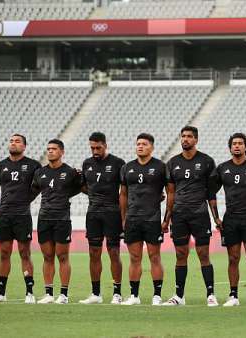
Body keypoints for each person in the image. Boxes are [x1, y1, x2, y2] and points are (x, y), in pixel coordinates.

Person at [164, 126, 219, 307]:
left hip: (199, 214)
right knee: (181, 254)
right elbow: (170, 193)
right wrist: (167, 218)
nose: (185, 139)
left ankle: (210, 294)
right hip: (179, 215)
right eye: (183, 136)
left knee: (203, 253)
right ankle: (179, 296)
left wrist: (216, 217)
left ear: (196, 140)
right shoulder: (172, 163)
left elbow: (211, 193)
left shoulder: (207, 161)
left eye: (189, 137)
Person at [0, 134, 41, 304]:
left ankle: (29, 293)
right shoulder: (0, 165)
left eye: (17, 141)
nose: (13, 143)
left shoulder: (33, 165)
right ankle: (1, 293)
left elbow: (38, 187)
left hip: (22, 215)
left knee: (25, 253)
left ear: (24, 146)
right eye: (11, 141)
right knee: (4, 253)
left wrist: (27, 199)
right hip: (4, 215)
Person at [211, 133, 246, 307]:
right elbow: (211, 191)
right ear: (230, 147)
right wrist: (216, 217)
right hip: (230, 219)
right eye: (234, 143)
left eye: (240, 143)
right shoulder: (222, 168)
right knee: (233, 258)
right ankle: (233, 295)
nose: (237, 146)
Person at [119, 133, 169, 306]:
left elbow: (170, 192)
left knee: (154, 257)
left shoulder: (161, 167)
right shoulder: (127, 168)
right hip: (132, 219)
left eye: (144, 144)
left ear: (152, 147)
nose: (140, 146)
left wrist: (166, 219)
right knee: (134, 258)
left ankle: (157, 295)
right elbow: (123, 194)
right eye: (138, 144)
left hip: (152, 219)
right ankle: (134, 295)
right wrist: (123, 218)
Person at [31, 139, 82, 304]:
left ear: (62, 152)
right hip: (44, 218)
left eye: (53, 149)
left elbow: (80, 188)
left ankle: (64, 295)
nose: (50, 151)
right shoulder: (40, 173)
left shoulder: (70, 172)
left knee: (62, 256)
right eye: (48, 149)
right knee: (47, 256)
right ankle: (48, 293)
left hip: (62, 219)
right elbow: (33, 191)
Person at [79, 132, 126, 305]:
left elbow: (125, 190)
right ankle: (96, 294)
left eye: (98, 147)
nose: (95, 151)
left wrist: (123, 216)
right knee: (93, 253)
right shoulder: (87, 163)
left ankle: (117, 293)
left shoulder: (118, 163)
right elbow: (82, 185)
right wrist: (93, 194)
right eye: (92, 148)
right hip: (93, 213)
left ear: (105, 145)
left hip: (112, 212)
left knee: (113, 252)